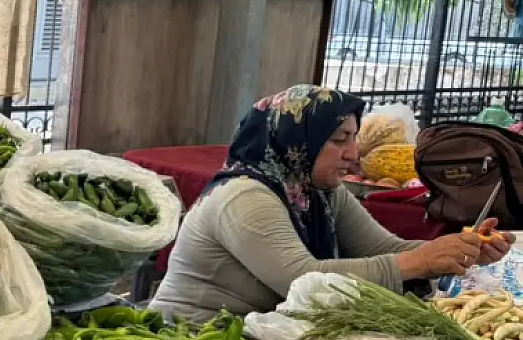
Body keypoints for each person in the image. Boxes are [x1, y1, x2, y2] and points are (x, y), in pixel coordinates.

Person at [150, 84, 513, 323]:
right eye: (340, 140)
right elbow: (301, 278)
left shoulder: (317, 191)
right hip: (195, 338)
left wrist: (458, 251)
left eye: (354, 139)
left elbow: (384, 249)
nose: (353, 155)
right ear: (297, 141)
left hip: (257, 334)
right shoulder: (245, 196)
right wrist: (421, 261)